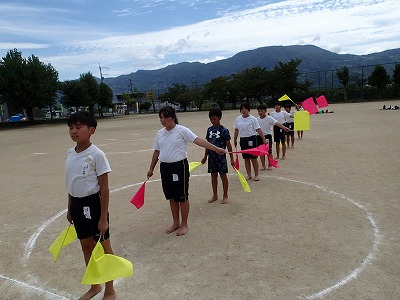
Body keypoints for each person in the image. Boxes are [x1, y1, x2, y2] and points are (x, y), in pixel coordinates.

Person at [147, 106, 226, 236]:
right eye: (160, 118)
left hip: (179, 167)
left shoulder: (181, 130)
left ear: (172, 117)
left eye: (165, 117)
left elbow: (198, 140)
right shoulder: (160, 133)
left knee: (182, 196)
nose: (162, 120)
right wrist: (151, 168)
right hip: (165, 168)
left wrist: (215, 148)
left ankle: (184, 224)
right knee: (171, 197)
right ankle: (176, 222)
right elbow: (157, 151)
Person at [65, 111, 116, 300]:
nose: (73, 131)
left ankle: (110, 290)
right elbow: (71, 182)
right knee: (86, 245)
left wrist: (103, 218)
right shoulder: (70, 153)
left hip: (93, 205)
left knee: (103, 248)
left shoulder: (97, 155)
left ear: (91, 130)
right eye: (71, 128)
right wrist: (70, 208)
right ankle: (95, 285)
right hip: (77, 205)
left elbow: (105, 189)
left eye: (78, 127)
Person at [201, 108, 234, 204]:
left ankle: (225, 195)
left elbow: (228, 145)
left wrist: (231, 158)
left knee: (223, 176)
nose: (212, 121)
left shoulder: (224, 130)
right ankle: (215, 195)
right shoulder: (209, 130)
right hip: (212, 157)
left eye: (214, 119)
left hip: (221, 158)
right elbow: (207, 144)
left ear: (219, 118)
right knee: (213, 175)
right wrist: (205, 156)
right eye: (211, 119)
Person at [233, 103, 267, 181]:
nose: (244, 110)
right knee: (246, 158)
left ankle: (256, 174)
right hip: (243, 140)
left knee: (253, 158)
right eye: (242, 109)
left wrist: (263, 139)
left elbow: (258, 129)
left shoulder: (253, 119)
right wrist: (235, 139)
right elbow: (236, 130)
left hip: (251, 139)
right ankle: (249, 175)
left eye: (245, 109)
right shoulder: (238, 119)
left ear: (248, 110)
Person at [257, 105, 289, 170]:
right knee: (261, 152)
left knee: (269, 151)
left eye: (262, 111)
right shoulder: (256, 119)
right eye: (259, 111)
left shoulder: (269, 118)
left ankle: (270, 164)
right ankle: (263, 165)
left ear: (265, 111)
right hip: (259, 137)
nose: (260, 112)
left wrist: (285, 128)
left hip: (267, 137)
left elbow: (277, 123)